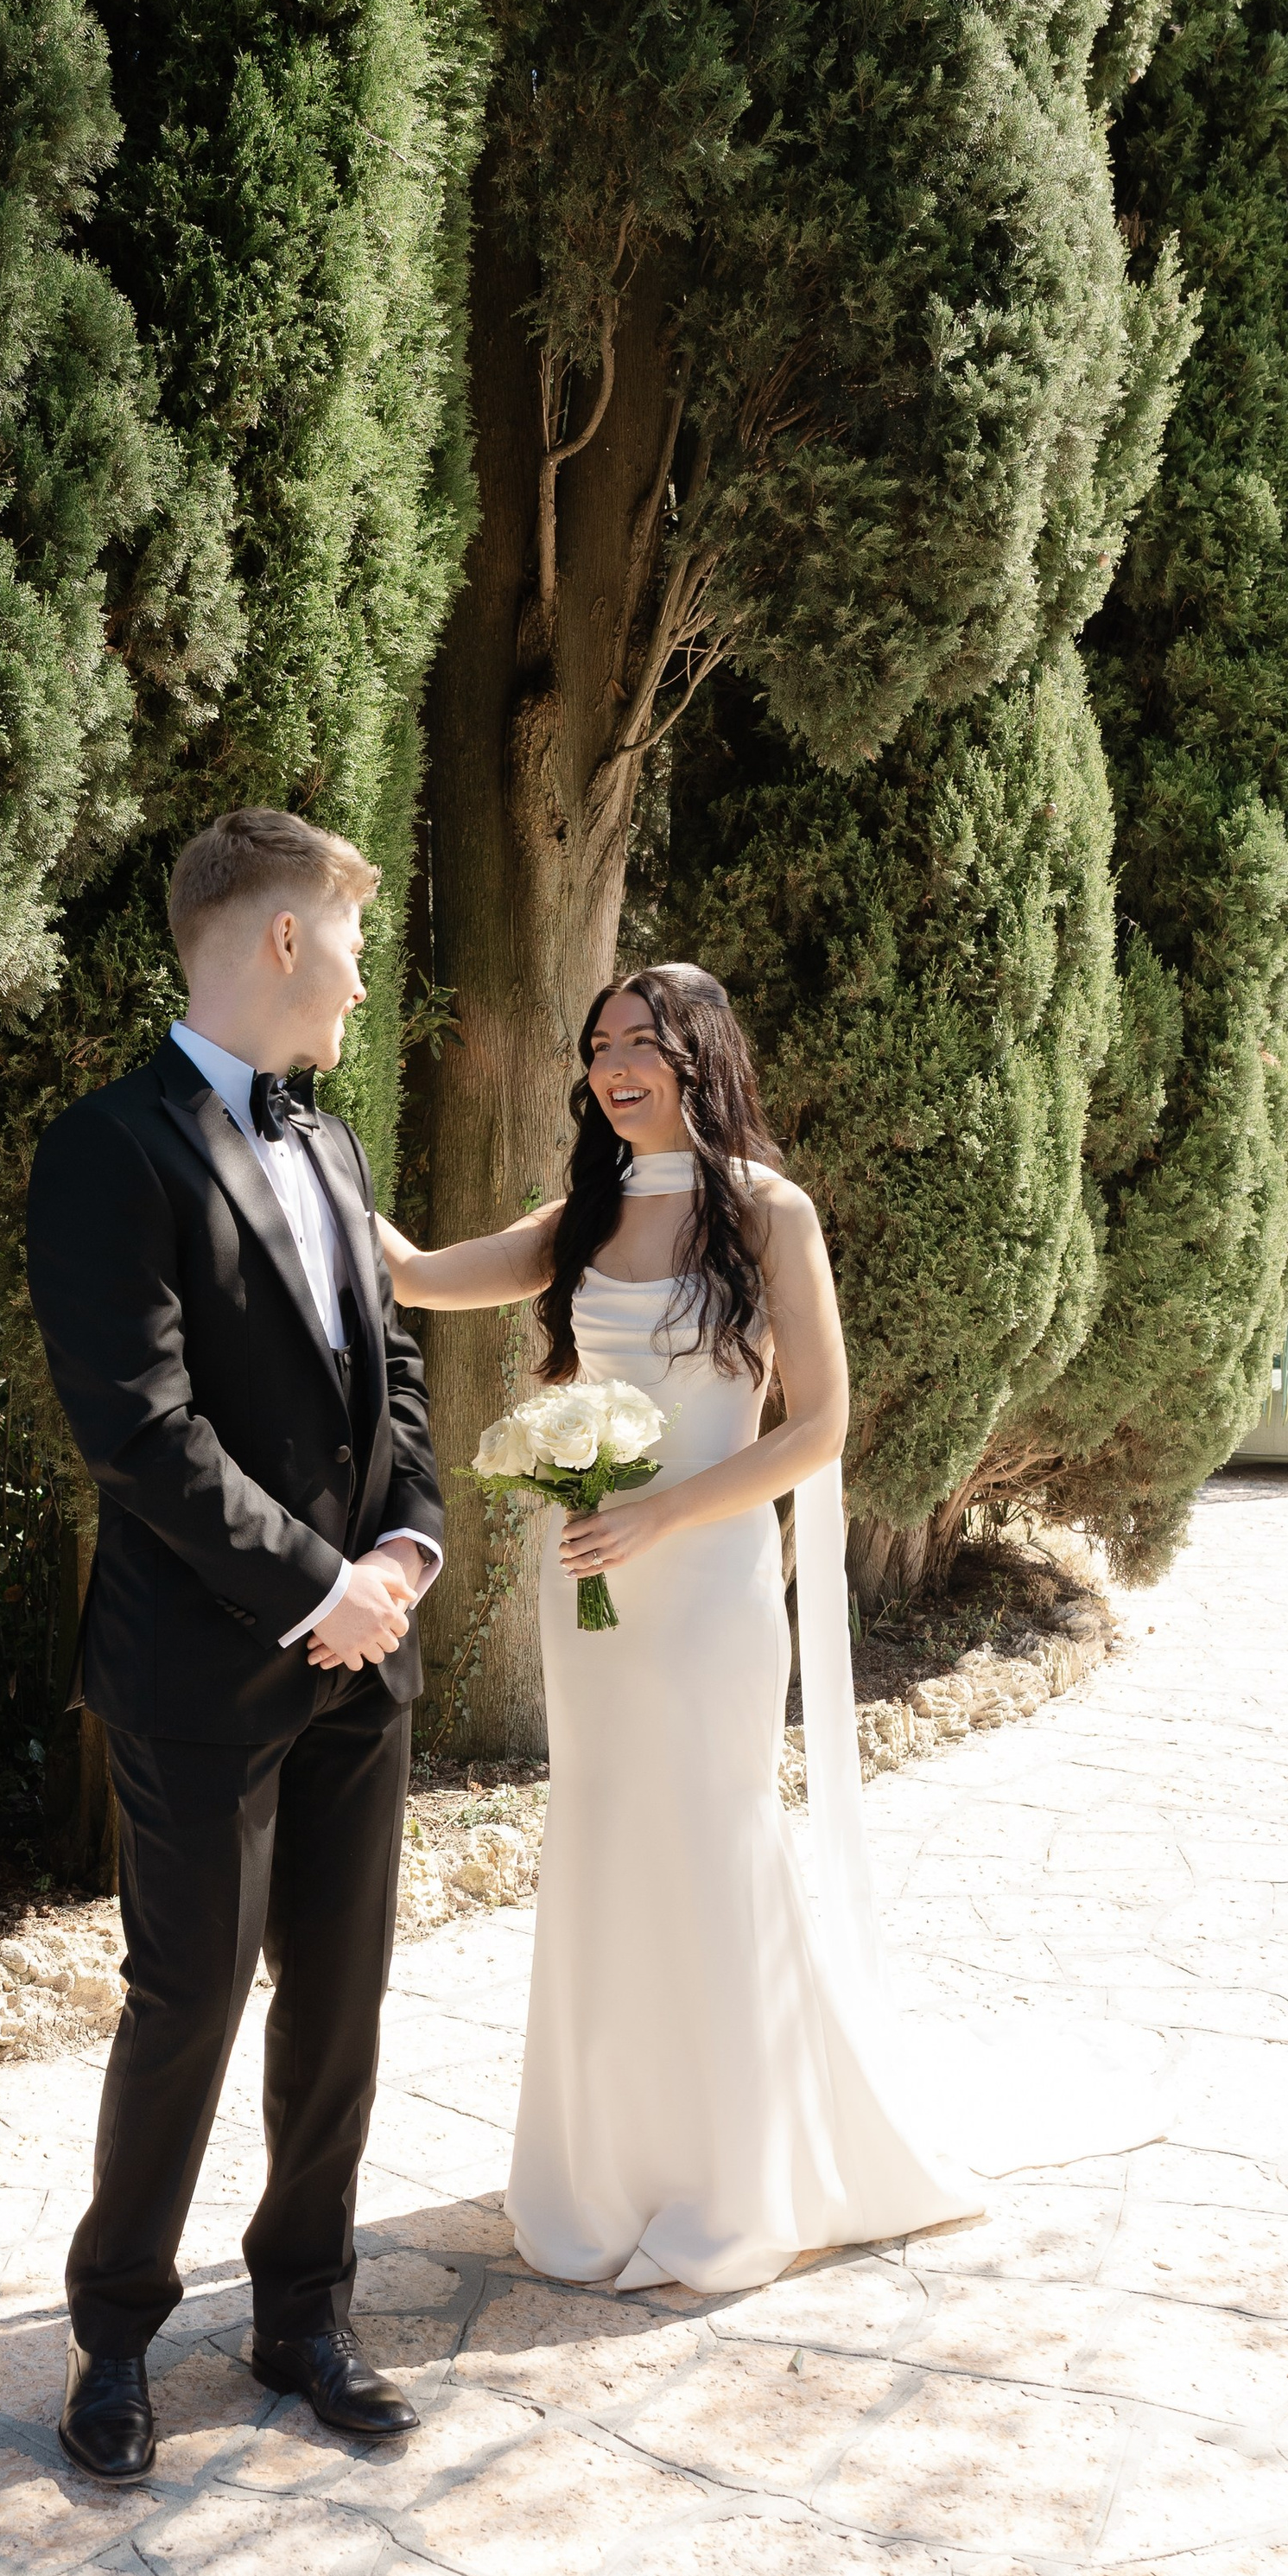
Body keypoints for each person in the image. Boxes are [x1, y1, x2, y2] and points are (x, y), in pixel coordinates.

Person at [376, 961, 981, 2293]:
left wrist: (663, 1521)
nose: (614, 1064)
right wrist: (293, 1156)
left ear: (702, 1053)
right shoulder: (581, 1214)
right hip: (587, 1586)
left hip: (705, 1592)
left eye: (642, 1040)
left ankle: (732, 2178)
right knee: (603, 1841)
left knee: (709, 1842)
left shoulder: (772, 1213)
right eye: (598, 1045)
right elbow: (415, 1275)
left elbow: (817, 1426)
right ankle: (609, 2168)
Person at [27, 808, 447, 2478]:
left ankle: (305, 2314)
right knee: (188, 2001)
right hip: (205, 1666)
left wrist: (406, 1544)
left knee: (339, 2001)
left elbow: (390, 1379)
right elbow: (143, 1431)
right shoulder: (105, 1150)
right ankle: (117, 2336)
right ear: (280, 939)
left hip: (368, 1648)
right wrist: (313, 1585)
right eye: (349, 935)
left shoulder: (334, 1147)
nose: (360, 971)